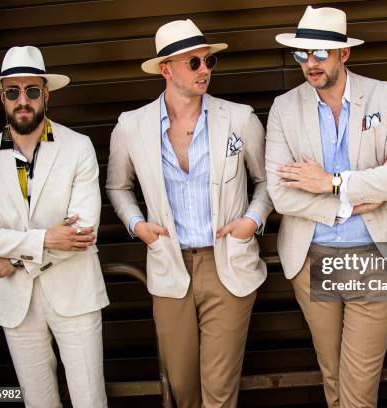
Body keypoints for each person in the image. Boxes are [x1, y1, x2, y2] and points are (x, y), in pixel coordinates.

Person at [106, 19, 273, 408]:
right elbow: (117, 187)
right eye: (193, 63)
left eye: (208, 62)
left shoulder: (240, 118)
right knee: (182, 389)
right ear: (166, 69)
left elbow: (267, 182)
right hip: (169, 265)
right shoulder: (131, 126)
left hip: (226, 264)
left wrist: (252, 220)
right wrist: (136, 225)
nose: (204, 70)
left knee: (219, 388)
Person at [265, 6, 387, 407]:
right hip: (312, 256)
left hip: (374, 256)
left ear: (344, 54)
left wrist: (332, 181)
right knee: (332, 372)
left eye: (320, 54)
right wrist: (349, 203)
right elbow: (281, 194)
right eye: (302, 55)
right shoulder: (284, 108)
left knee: (358, 382)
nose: (310, 64)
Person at [0, 45, 109, 407]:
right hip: (17, 305)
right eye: (13, 92)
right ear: (2, 97)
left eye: (31, 91)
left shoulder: (78, 147)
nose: (23, 100)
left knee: (90, 400)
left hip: (74, 296)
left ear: (45, 95)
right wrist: (47, 237)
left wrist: (13, 258)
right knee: (38, 403)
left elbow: (81, 232)